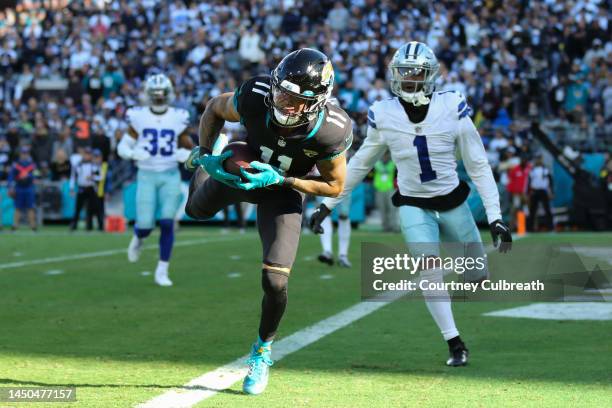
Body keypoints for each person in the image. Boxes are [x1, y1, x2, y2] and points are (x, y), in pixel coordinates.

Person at [310, 42, 512, 367]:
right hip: (412, 203)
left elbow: (478, 165)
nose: (408, 79)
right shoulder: (384, 113)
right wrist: (328, 204)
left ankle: (469, 283)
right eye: (403, 72)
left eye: (415, 72)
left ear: (430, 75)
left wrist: (496, 217)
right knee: (428, 270)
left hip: (452, 202)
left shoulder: (452, 106)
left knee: (477, 276)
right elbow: (361, 163)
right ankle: (455, 342)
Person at [184, 48, 352, 395]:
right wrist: (204, 152)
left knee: (275, 282)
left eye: (294, 99)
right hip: (241, 171)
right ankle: (209, 165)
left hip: (282, 189)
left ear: (318, 100)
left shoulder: (331, 130)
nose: (283, 103)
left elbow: (334, 186)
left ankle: (262, 351)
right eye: (281, 92)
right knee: (195, 212)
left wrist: (282, 179)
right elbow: (215, 107)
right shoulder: (256, 94)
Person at [117, 74, 194, 287]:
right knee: (144, 226)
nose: (159, 99)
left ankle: (162, 270)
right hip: (146, 175)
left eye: (162, 95)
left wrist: (185, 154)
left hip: (170, 175)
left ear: (168, 95)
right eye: (155, 95)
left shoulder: (178, 117)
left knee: (168, 222)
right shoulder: (138, 116)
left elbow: (191, 148)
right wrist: (132, 153)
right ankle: (139, 237)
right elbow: (122, 146)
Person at [8, 146, 38, 231]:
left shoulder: (32, 164)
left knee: (31, 207)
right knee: (17, 208)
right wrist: (10, 187)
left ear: (28, 154)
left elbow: (36, 175)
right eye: (23, 153)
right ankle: (15, 226)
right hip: (19, 188)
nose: (24, 155)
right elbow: (11, 176)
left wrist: (31, 177)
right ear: (20, 154)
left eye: (26, 153)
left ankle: (33, 226)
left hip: (29, 188)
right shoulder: (16, 164)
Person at [69, 147, 97, 231]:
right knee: (78, 208)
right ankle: (74, 225)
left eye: (89, 154)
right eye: (86, 154)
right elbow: (73, 177)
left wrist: (93, 177)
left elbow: (99, 176)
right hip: (82, 187)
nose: (87, 156)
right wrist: (71, 188)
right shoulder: (78, 165)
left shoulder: (94, 165)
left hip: (90, 188)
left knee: (90, 208)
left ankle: (89, 226)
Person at [527, 155, 554, 231]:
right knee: (532, 210)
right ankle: (530, 228)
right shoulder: (532, 170)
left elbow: (550, 182)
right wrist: (528, 193)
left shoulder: (545, 170)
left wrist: (551, 192)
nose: (538, 161)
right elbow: (529, 182)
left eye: (539, 159)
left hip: (543, 191)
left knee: (547, 209)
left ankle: (550, 227)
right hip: (535, 191)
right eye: (537, 159)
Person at [373, 152, 398, 232]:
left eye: (387, 155)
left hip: (390, 189)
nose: (385, 157)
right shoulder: (377, 164)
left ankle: (393, 226)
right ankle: (385, 227)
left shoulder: (392, 164)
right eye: (384, 155)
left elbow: (389, 169)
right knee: (382, 210)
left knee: (392, 209)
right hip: (379, 190)